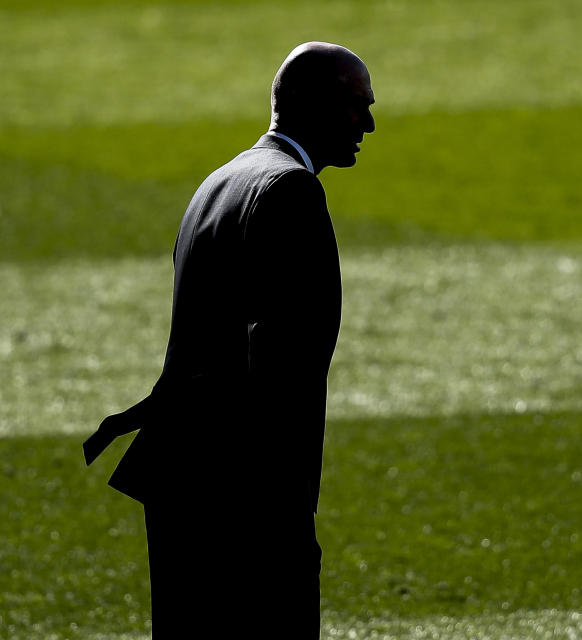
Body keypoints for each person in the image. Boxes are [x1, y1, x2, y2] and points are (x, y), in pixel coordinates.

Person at [82, 42, 375, 638]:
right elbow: (282, 361)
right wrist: (283, 510)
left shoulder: (219, 182)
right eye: (354, 105)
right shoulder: (291, 190)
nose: (368, 122)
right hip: (243, 499)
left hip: (179, 478)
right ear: (309, 104)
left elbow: (200, 340)